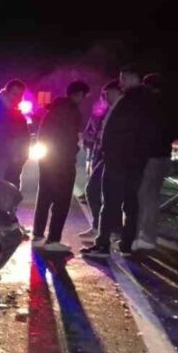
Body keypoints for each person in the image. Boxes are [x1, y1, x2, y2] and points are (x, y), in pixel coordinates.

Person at [81, 66, 160, 259]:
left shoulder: (130, 101)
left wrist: (111, 152)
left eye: (122, 80)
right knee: (130, 203)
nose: (121, 83)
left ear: (128, 79)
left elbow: (121, 131)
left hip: (119, 160)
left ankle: (103, 245)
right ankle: (126, 244)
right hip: (134, 160)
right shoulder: (147, 101)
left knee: (111, 202)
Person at [32, 81, 90, 252]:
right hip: (63, 160)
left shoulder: (52, 109)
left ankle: (38, 235)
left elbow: (43, 134)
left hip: (48, 159)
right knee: (62, 200)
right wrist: (75, 148)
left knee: (44, 196)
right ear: (79, 94)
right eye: (84, 96)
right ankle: (53, 239)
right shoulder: (72, 111)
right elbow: (69, 137)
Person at [78, 80, 123, 238]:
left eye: (108, 93)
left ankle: (110, 229)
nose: (105, 97)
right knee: (101, 192)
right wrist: (92, 137)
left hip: (114, 157)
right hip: (102, 154)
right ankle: (101, 227)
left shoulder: (122, 111)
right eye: (104, 94)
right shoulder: (107, 111)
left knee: (100, 191)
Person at [134, 73, 172, 251]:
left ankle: (146, 237)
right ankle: (146, 236)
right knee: (152, 196)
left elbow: (148, 133)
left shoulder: (153, 106)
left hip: (152, 157)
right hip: (163, 156)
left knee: (145, 197)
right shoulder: (166, 105)